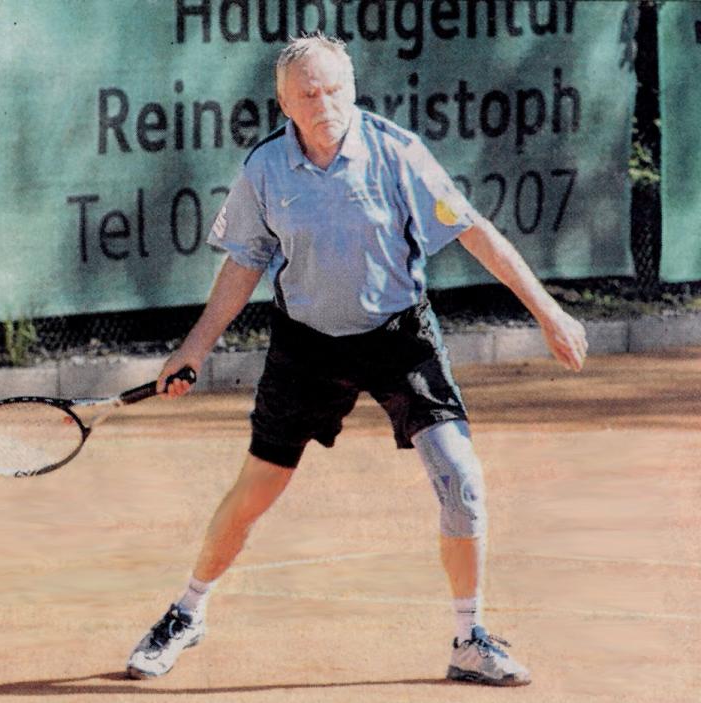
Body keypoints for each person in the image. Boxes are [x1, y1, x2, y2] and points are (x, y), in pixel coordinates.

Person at [126, 33, 587, 687]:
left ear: (353, 89)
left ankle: (469, 637)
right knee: (255, 491)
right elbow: (244, 264)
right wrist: (194, 347)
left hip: (400, 337)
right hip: (306, 345)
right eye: (309, 93)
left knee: (461, 479)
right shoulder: (266, 168)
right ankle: (187, 610)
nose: (325, 103)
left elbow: (475, 231)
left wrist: (548, 312)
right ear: (285, 103)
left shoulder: (397, 153)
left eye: (335, 89)